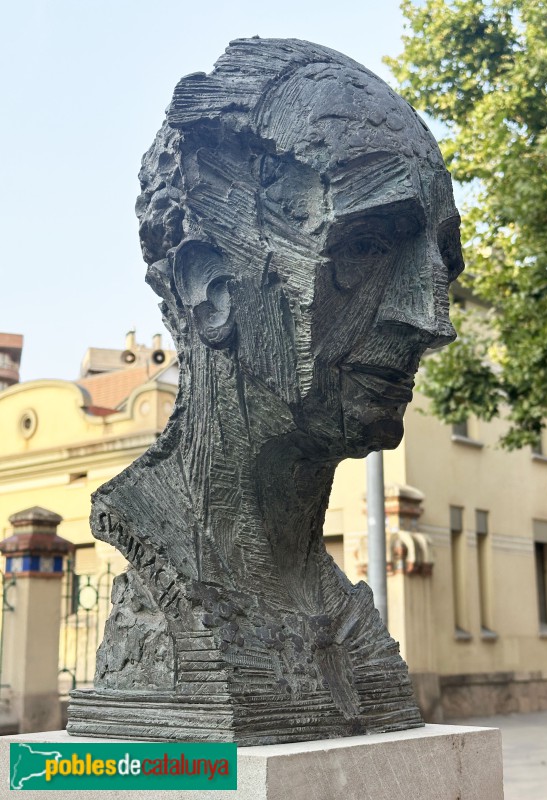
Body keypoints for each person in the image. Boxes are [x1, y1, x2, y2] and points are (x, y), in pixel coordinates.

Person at [73, 38, 463, 743]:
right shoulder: (174, 568)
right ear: (212, 291)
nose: (432, 320)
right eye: (368, 246)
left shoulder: (344, 615)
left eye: (441, 269)